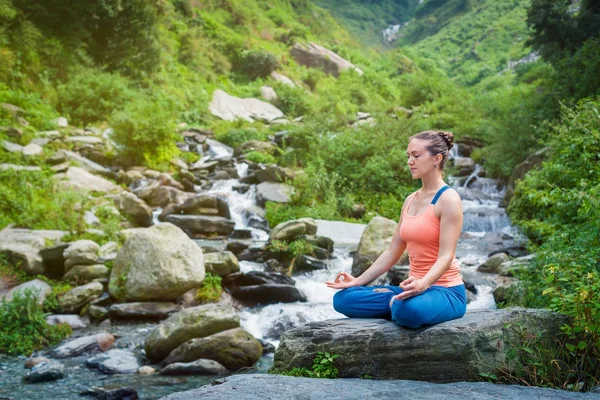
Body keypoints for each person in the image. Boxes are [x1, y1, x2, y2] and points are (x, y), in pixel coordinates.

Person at [326, 130, 466, 329]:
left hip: (446, 291)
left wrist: (424, 283)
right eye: (408, 156)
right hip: (412, 288)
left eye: (416, 156)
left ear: (437, 158)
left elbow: (446, 255)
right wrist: (357, 281)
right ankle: (396, 302)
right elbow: (393, 251)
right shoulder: (410, 200)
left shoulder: (449, 199)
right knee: (342, 299)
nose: (410, 161)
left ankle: (398, 304)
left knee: (408, 311)